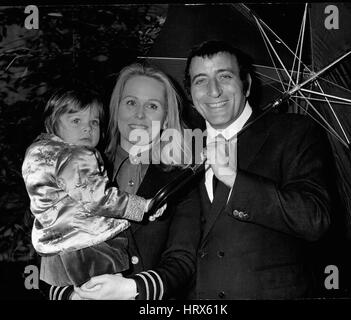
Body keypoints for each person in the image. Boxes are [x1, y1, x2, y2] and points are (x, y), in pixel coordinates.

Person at [183, 40, 332, 299]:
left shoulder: (294, 132)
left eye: (225, 76)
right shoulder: (183, 144)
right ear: (191, 94)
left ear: (247, 84)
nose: (214, 91)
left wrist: (232, 177)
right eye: (200, 80)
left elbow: (314, 219)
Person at [45, 63, 201, 300]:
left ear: (167, 116)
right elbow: (47, 244)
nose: (139, 114)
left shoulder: (181, 181)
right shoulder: (72, 168)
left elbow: (183, 261)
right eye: (130, 102)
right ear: (115, 108)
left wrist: (131, 288)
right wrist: (70, 296)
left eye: (152, 105)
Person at [22, 89, 164, 288]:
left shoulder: (37, 154)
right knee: (108, 291)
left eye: (94, 122)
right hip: (88, 245)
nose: (87, 128)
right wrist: (143, 206)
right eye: (76, 121)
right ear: (52, 124)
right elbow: (99, 199)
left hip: (54, 250)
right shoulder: (76, 156)